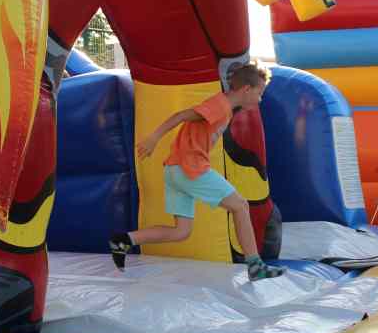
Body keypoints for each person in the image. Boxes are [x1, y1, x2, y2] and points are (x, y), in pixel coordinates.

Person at [109, 62, 284, 281]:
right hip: (189, 167)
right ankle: (255, 265)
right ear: (246, 89)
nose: (260, 99)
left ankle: (124, 240)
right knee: (240, 206)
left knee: (181, 232)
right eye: (259, 93)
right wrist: (154, 138)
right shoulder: (220, 105)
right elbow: (182, 115)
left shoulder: (224, 107)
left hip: (174, 170)